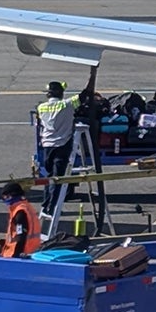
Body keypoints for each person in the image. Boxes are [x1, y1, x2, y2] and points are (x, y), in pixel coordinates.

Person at [36, 68, 97, 216]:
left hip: (47, 146)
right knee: (58, 179)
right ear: (61, 93)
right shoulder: (67, 105)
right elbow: (87, 93)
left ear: (48, 94)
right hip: (62, 145)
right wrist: (93, 74)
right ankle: (52, 207)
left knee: (49, 176)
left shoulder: (41, 107)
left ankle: (46, 205)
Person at [0, 181, 40, 258]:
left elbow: (21, 235)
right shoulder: (26, 206)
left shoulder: (19, 212)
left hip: (21, 252)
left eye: (6, 197)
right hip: (32, 250)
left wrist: (16, 254)